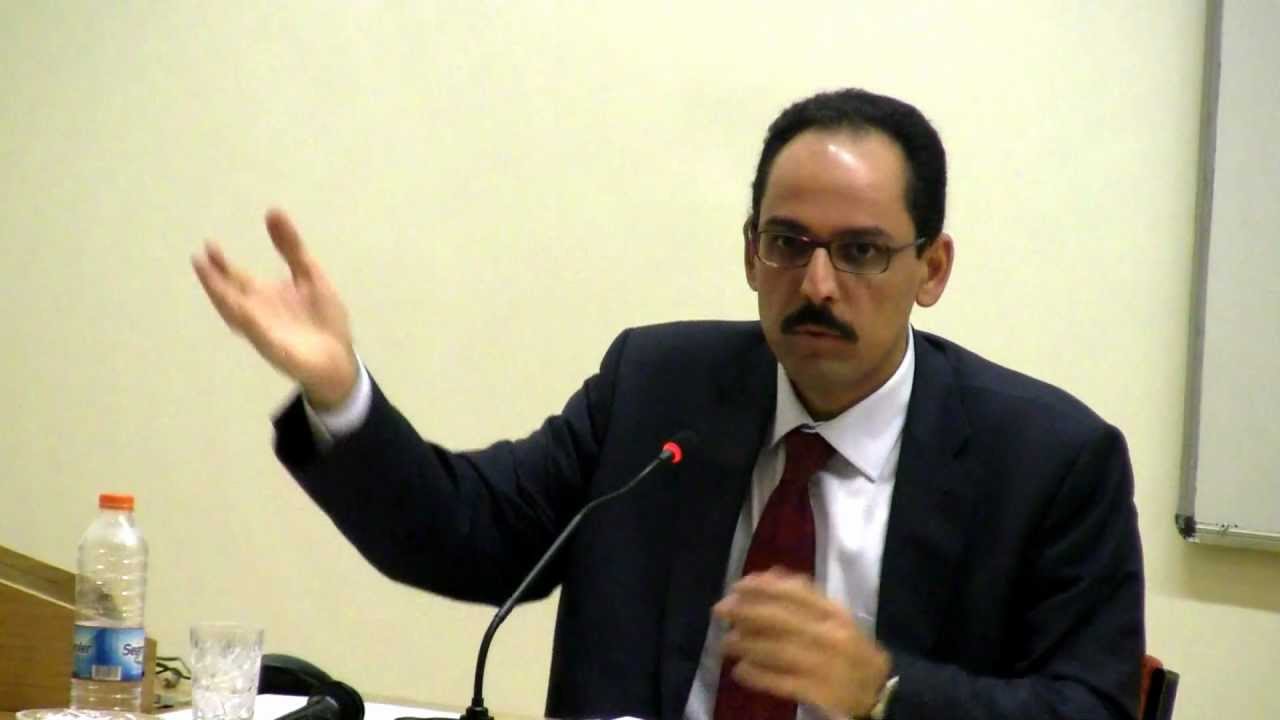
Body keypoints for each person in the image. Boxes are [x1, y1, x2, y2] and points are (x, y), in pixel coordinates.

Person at [193, 88, 1144, 720]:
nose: (816, 284)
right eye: (788, 243)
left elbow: (1091, 708)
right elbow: (466, 534)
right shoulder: (659, 387)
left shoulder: (1051, 459)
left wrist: (885, 689)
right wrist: (339, 393)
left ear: (931, 269)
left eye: (860, 251)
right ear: (750, 253)